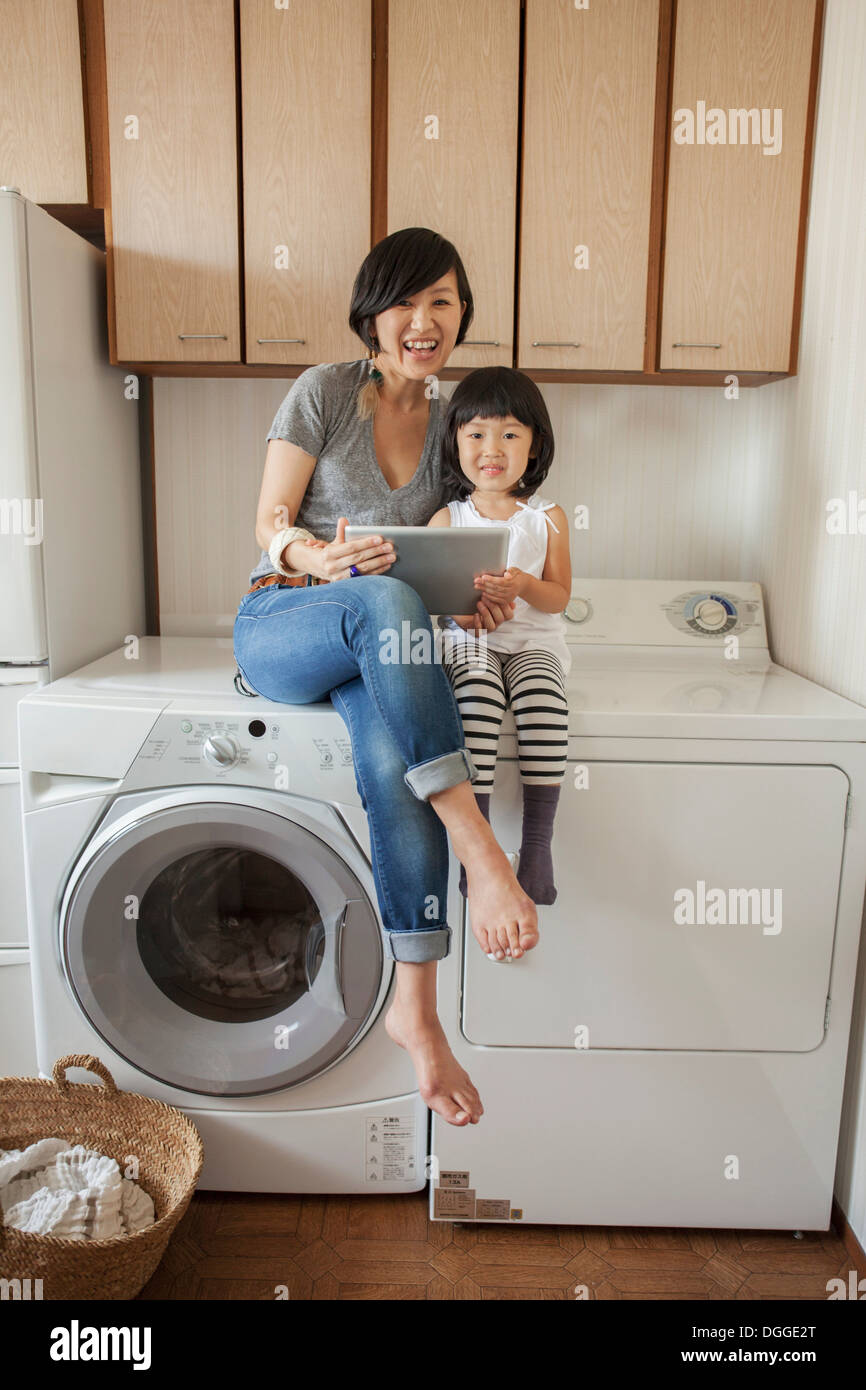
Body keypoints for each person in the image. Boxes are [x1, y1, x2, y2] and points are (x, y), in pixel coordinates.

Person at [233, 229, 538, 1127]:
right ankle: (482, 850)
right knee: (380, 600)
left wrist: (474, 600)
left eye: (443, 302)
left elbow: (436, 557)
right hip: (285, 619)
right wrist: (321, 559)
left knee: (394, 754)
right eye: (407, 301)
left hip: (386, 642)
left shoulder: (456, 421)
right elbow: (267, 520)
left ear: (461, 318)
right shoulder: (325, 391)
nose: (424, 320)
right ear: (373, 312)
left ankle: (415, 1003)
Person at [429, 368, 571, 935]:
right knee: (478, 693)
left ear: (534, 442)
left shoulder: (548, 518)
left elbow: (559, 597)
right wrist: (462, 609)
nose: (493, 449)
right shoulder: (449, 517)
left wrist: (522, 585)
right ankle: (479, 847)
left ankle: (537, 848)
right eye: (477, 434)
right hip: (473, 643)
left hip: (534, 643)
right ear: (456, 442)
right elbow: (436, 598)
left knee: (543, 694)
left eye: (510, 434)